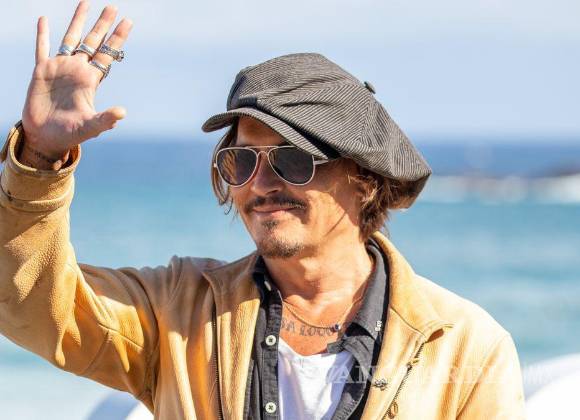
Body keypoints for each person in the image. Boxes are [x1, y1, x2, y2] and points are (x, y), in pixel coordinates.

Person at [0, 2, 526, 419]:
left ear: (364, 178)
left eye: (293, 160)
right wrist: (39, 158)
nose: (261, 183)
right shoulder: (178, 314)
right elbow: (31, 304)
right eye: (242, 160)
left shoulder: (465, 348)